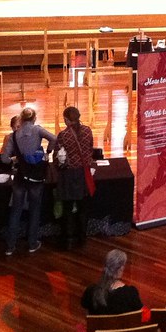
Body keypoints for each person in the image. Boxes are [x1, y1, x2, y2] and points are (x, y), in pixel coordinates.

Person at [1, 107, 56, 256]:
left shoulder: (14, 136)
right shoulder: (38, 130)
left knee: (16, 211)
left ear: (21, 119)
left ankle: (10, 247)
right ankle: (32, 243)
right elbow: (54, 138)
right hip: (36, 177)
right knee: (35, 210)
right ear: (34, 118)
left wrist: (16, 159)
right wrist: (48, 152)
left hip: (21, 176)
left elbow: (4, 159)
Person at [56, 105, 94, 250]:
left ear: (66, 120)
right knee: (83, 208)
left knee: (67, 208)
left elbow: (59, 158)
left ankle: (68, 239)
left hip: (69, 176)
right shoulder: (87, 131)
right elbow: (90, 149)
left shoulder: (63, 135)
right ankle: (82, 238)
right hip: (83, 174)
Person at [81, 249, 144, 315]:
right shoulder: (130, 293)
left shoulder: (90, 291)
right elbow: (143, 315)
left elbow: (87, 315)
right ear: (121, 269)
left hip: (99, 325)